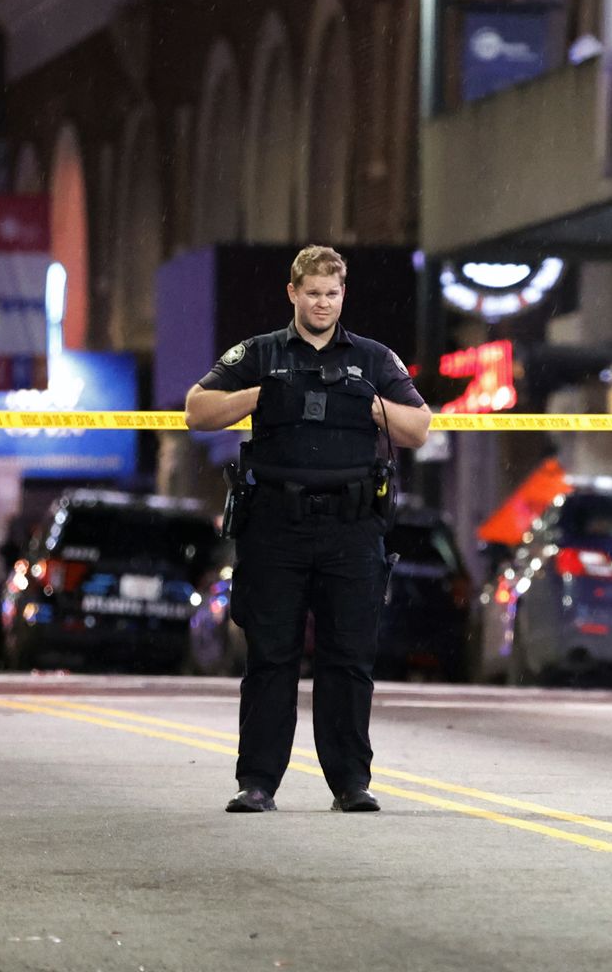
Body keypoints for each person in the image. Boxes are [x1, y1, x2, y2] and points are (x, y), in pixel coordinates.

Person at [185, 246, 431, 813]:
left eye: (332, 293)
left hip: (351, 528)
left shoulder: (372, 358)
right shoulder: (261, 353)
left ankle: (350, 783)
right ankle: (258, 783)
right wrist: (260, 396)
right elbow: (197, 411)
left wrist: (374, 410)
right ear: (292, 293)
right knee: (271, 656)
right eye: (313, 292)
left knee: (348, 657)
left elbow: (420, 426)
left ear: (343, 296)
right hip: (275, 525)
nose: (323, 303)